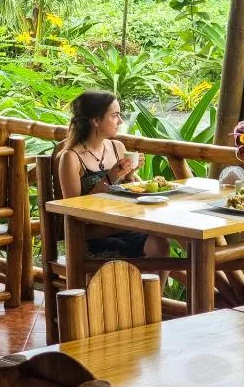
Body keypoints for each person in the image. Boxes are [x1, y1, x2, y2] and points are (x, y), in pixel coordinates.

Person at [58, 90, 171, 268]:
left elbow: (129, 191)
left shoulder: (117, 147)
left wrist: (130, 174)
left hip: (123, 227)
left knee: (160, 245)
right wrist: (110, 178)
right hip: (90, 236)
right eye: (115, 115)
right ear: (96, 121)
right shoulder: (71, 158)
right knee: (157, 251)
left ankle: (150, 288)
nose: (120, 121)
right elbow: (73, 210)